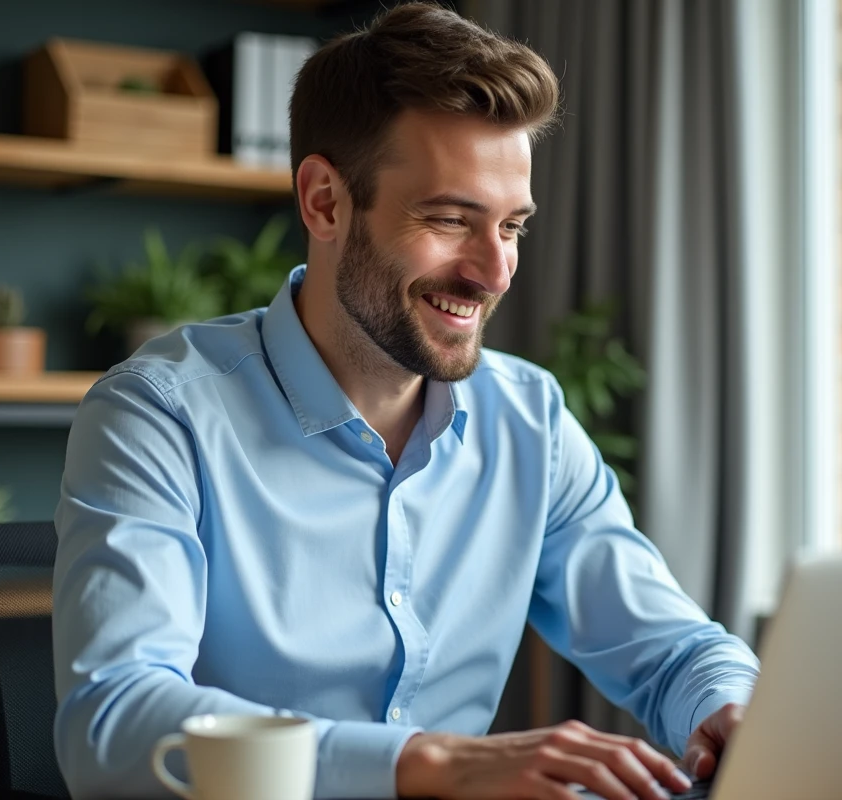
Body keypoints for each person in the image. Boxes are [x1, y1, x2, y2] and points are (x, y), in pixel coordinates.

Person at [52, 4, 760, 799]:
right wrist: (429, 763)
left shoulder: (530, 418)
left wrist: (730, 710)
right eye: (451, 219)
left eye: (512, 227)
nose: (493, 272)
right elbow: (110, 721)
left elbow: (670, 649)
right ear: (324, 202)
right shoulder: (159, 415)